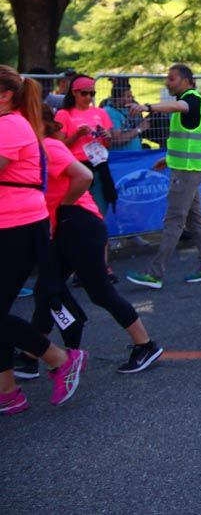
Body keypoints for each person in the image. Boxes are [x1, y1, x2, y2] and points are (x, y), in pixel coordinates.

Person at [23, 110, 162, 376]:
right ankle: (31, 356)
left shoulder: (49, 146)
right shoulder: (42, 147)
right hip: (66, 227)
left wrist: (64, 207)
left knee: (99, 292)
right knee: (46, 290)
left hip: (79, 225)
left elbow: (84, 177)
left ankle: (146, 345)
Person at [0, 68, 88, 414]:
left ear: (5, 94)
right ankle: (8, 391)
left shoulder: (11, 125)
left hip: (18, 226)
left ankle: (58, 358)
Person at [125, 64, 201, 289]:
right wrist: (168, 159)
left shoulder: (191, 98)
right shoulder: (191, 99)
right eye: (167, 79)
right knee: (194, 218)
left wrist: (148, 106)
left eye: (172, 78)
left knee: (174, 220)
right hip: (188, 168)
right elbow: (186, 138)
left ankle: (155, 273)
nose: (167, 82)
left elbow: (178, 106)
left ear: (187, 81)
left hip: (187, 171)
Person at [55, 75, 117, 215]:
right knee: (79, 208)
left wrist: (107, 138)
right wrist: (77, 135)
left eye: (92, 93)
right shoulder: (64, 114)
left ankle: (99, 233)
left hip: (99, 165)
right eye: (84, 93)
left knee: (101, 206)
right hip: (76, 167)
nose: (89, 97)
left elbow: (107, 145)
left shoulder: (101, 113)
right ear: (74, 92)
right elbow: (59, 146)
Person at [103, 80, 148, 151]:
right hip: (123, 158)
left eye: (131, 96)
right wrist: (139, 129)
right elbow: (117, 140)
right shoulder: (110, 112)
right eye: (128, 96)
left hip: (134, 156)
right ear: (118, 98)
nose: (131, 99)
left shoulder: (126, 109)